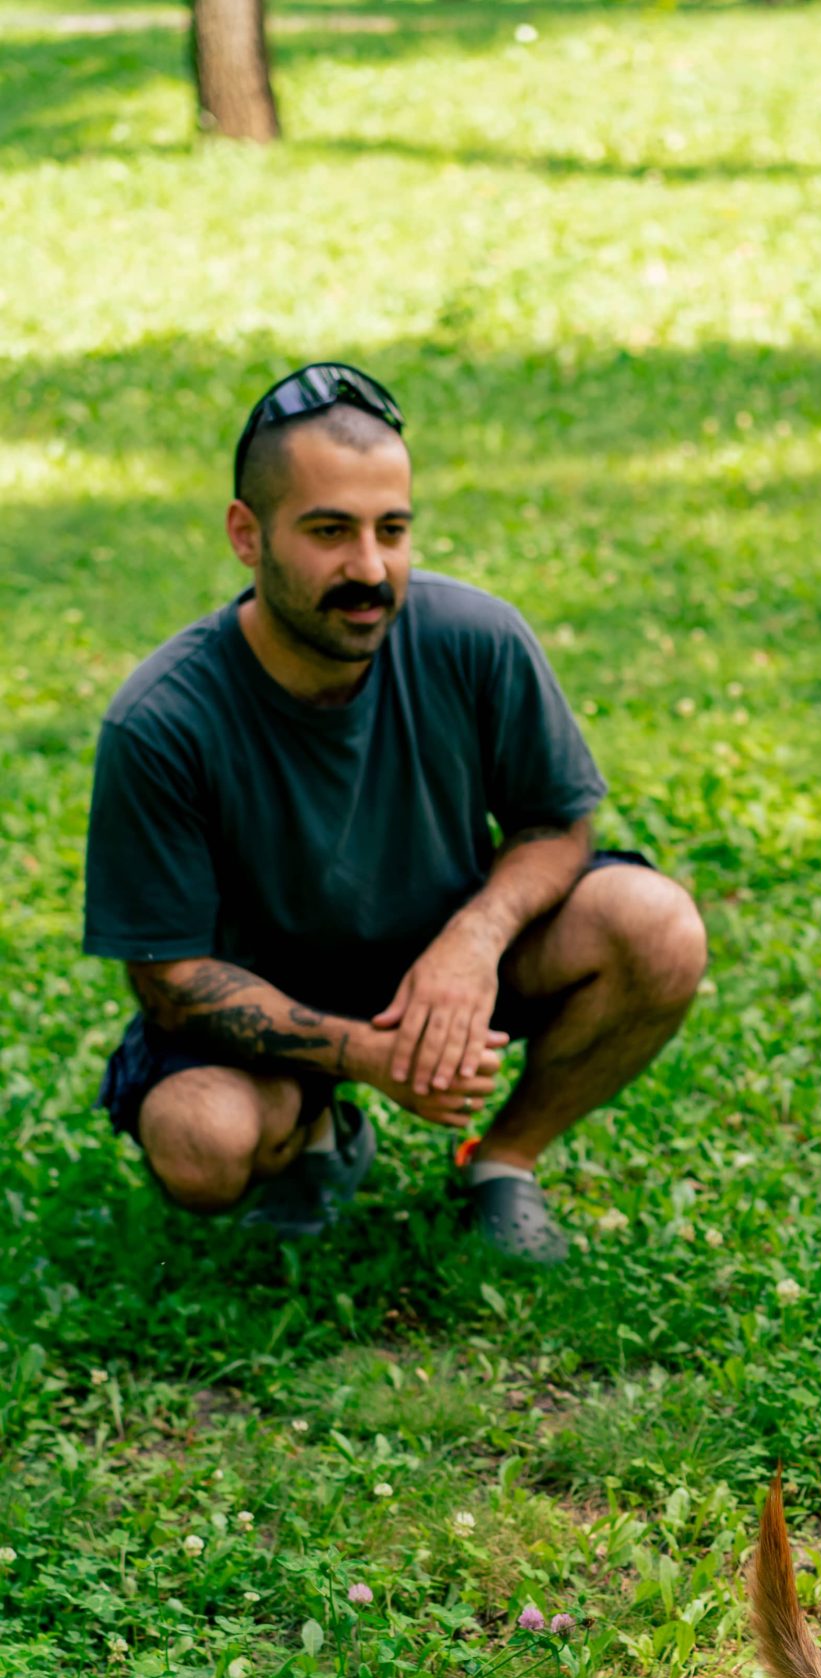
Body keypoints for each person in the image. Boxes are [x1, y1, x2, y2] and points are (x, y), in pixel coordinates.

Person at [83, 362, 707, 1264]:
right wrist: (364, 1057)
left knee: (659, 928)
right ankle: (316, 1128)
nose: (369, 568)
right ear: (246, 535)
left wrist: (474, 942)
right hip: (272, 996)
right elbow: (172, 981)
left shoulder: (476, 636)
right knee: (199, 1143)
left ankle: (501, 1164)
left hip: (447, 955)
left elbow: (554, 824)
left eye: (393, 529)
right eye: (330, 531)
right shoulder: (162, 719)